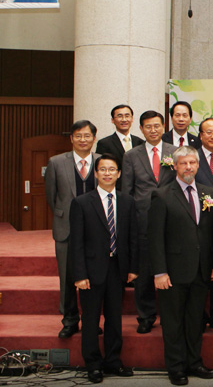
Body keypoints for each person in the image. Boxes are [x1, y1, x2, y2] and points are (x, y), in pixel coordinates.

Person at [148, 146, 213, 385]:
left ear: (198, 165)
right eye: (184, 163)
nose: (189, 167)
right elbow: (155, 237)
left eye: (192, 163)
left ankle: (194, 362)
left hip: (201, 269)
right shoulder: (162, 195)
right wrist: (159, 271)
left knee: (195, 320)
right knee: (173, 322)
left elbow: (212, 233)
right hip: (173, 271)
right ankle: (176, 367)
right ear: (175, 166)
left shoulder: (209, 193)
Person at [70, 153, 138, 383]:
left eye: (112, 169)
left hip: (117, 268)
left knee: (114, 318)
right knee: (90, 320)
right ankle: (93, 364)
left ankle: (113, 361)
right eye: (103, 169)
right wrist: (79, 274)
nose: (107, 173)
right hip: (91, 271)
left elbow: (133, 237)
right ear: (96, 173)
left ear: (118, 174)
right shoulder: (81, 202)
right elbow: (76, 243)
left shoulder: (127, 201)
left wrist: (132, 267)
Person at [122, 110, 177, 334]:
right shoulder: (131, 156)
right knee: (144, 272)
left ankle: (169, 314)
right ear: (141, 129)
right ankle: (146, 315)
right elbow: (127, 191)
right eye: (148, 127)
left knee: (169, 269)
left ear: (163, 127)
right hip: (142, 220)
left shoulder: (175, 151)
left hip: (171, 219)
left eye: (156, 126)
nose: (153, 130)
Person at [45, 120, 100, 337]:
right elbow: (52, 196)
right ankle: (69, 320)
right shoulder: (56, 162)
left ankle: (91, 320)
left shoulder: (101, 161)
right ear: (71, 138)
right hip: (66, 228)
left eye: (87, 136)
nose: (83, 140)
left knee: (94, 277)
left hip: (96, 229)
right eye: (78, 136)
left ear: (94, 138)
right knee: (67, 278)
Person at [95, 105, 144, 188]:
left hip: (138, 188)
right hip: (116, 188)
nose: (124, 119)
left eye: (127, 116)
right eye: (119, 116)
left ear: (132, 119)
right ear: (113, 120)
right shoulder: (104, 143)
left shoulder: (140, 142)